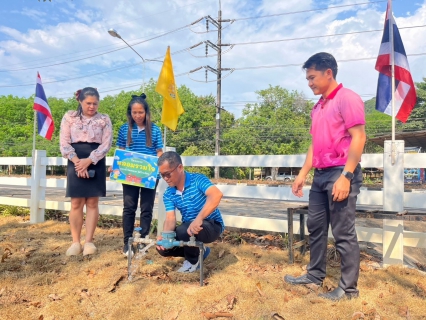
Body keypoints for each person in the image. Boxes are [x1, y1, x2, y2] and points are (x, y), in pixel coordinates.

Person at [284, 52, 366, 301]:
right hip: (320, 176)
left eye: (312, 77)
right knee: (316, 227)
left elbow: (359, 137)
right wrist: (302, 174)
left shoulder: (347, 98)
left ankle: (348, 289)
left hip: (341, 172)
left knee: (343, 232)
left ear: (328, 72)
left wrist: (346, 176)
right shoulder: (318, 106)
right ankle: (315, 274)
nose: (309, 83)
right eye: (307, 78)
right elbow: (314, 143)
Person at [60, 87, 113, 256]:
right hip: (74, 159)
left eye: (95, 103)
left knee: (92, 203)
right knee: (76, 203)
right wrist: (78, 163)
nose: (92, 106)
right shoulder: (69, 117)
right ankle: (75, 242)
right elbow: (64, 143)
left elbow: (106, 144)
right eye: (88, 103)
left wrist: (89, 161)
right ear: (80, 101)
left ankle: (89, 241)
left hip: (95, 160)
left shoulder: (104, 119)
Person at [156, 151, 225, 273]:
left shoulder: (198, 180)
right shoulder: (168, 193)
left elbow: (216, 195)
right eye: (162, 175)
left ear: (180, 167)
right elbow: (170, 218)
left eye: (167, 174)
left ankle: (193, 262)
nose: (165, 179)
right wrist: (166, 236)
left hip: (211, 225)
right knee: (163, 248)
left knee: (184, 230)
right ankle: (200, 251)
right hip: (189, 229)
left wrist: (198, 219)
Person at [115, 94, 163, 256]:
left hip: (149, 175)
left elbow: (159, 151)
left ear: (146, 112)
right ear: (130, 113)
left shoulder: (155, 129)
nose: (137, 116)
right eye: (134, 112)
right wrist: (115, 165)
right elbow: (120, 150)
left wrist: (161, 168)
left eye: (140, 112)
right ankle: (127, 242)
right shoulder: (124, 129)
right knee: (129, 207)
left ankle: (143, 240)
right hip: (129, 175)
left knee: (146, 208)